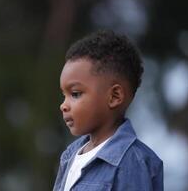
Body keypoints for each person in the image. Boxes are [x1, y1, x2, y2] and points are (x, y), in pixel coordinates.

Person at [53, 30, 163, 191]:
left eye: (75, 94)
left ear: (114, 96)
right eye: (64, 95)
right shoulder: (70, 156)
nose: (63, 105)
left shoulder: (132, 163)